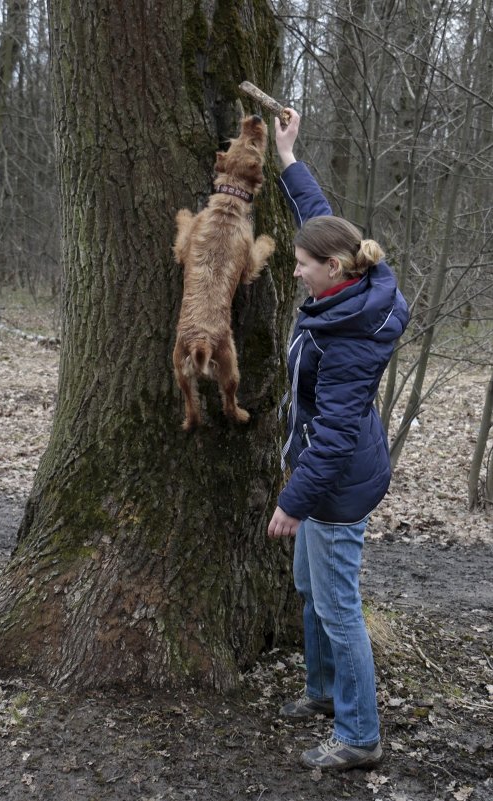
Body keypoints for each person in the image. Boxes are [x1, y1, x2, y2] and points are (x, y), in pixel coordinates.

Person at [267, 108, 409, 772]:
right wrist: (288, 157)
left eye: (300, 264)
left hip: (335, 486)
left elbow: (332, 435)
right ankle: (323, 693)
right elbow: (321, 215)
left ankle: (357, 735)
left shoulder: (350, 335)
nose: (293, 272)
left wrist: (293, 501)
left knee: (337, 606)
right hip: (325, 475)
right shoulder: (347, 280)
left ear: (331, 270)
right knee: (309, 589)